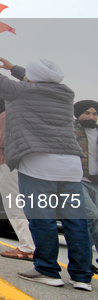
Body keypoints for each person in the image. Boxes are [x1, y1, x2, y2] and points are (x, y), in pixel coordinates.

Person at [0, 56, 93, 291]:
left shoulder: (20, 92)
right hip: (70, 165)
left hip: (39, 163)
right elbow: (39, 80)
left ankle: (47, 270)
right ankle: (82, 277)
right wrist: (14, 68)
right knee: (75, 221)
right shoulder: (65, 92)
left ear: (32, 77)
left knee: (43, 218)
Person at [0, 91, 35, 260]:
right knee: (20, 206)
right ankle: (30, 244)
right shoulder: (11, 114)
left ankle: (26, 247)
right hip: (12, 165)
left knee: (14, 206)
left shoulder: (3, 116)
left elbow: (2, 141)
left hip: (5, 164)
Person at [73, 100, 98, 274]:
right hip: (78, 181)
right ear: (78, 114)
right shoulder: (69, 131)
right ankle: (83, 265)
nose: (91, 117)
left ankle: (85, 262)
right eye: (87, 113)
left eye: (95, 114)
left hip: (96, 183)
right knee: (93, 216)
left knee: (90, 223)